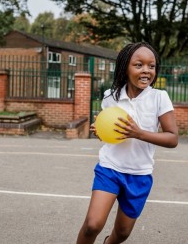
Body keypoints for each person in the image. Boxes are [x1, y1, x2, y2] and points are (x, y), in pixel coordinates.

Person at [76, 42, 178, 244]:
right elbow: (108, 132)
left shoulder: (159, 98)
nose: (146, 71)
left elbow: (172, 138)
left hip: (139, 175)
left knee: (122, 233)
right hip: (110, 169)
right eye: (139, 65)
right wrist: (101, 133)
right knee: (92, 224)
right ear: (125, 68)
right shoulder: (110, 97)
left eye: (151, 66)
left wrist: (138, 133)